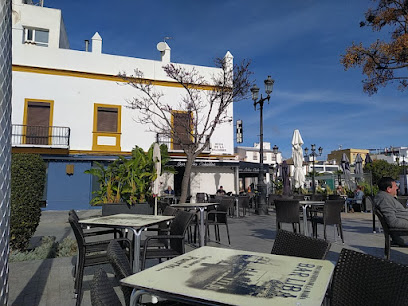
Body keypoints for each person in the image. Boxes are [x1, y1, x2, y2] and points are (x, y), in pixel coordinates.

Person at [375, 177, 408, 246]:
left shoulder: (386, 197)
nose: (397, 188)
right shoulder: (384, 200)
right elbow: (393, 222)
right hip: (403, 236)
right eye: (395, 186)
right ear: (388, 189)